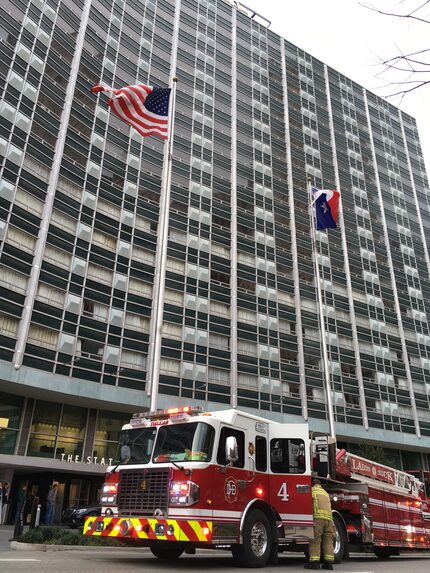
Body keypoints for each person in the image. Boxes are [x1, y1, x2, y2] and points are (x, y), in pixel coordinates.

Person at [305, 479, 335, 570]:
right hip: (329, 519)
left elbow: (307, 504)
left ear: (313, 484)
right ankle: (329, 564)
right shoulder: (325, 493)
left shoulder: (312, 491)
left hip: (318, 518)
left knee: (315, 540)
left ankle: (314, 563)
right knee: (328, 541)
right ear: (320, 484)